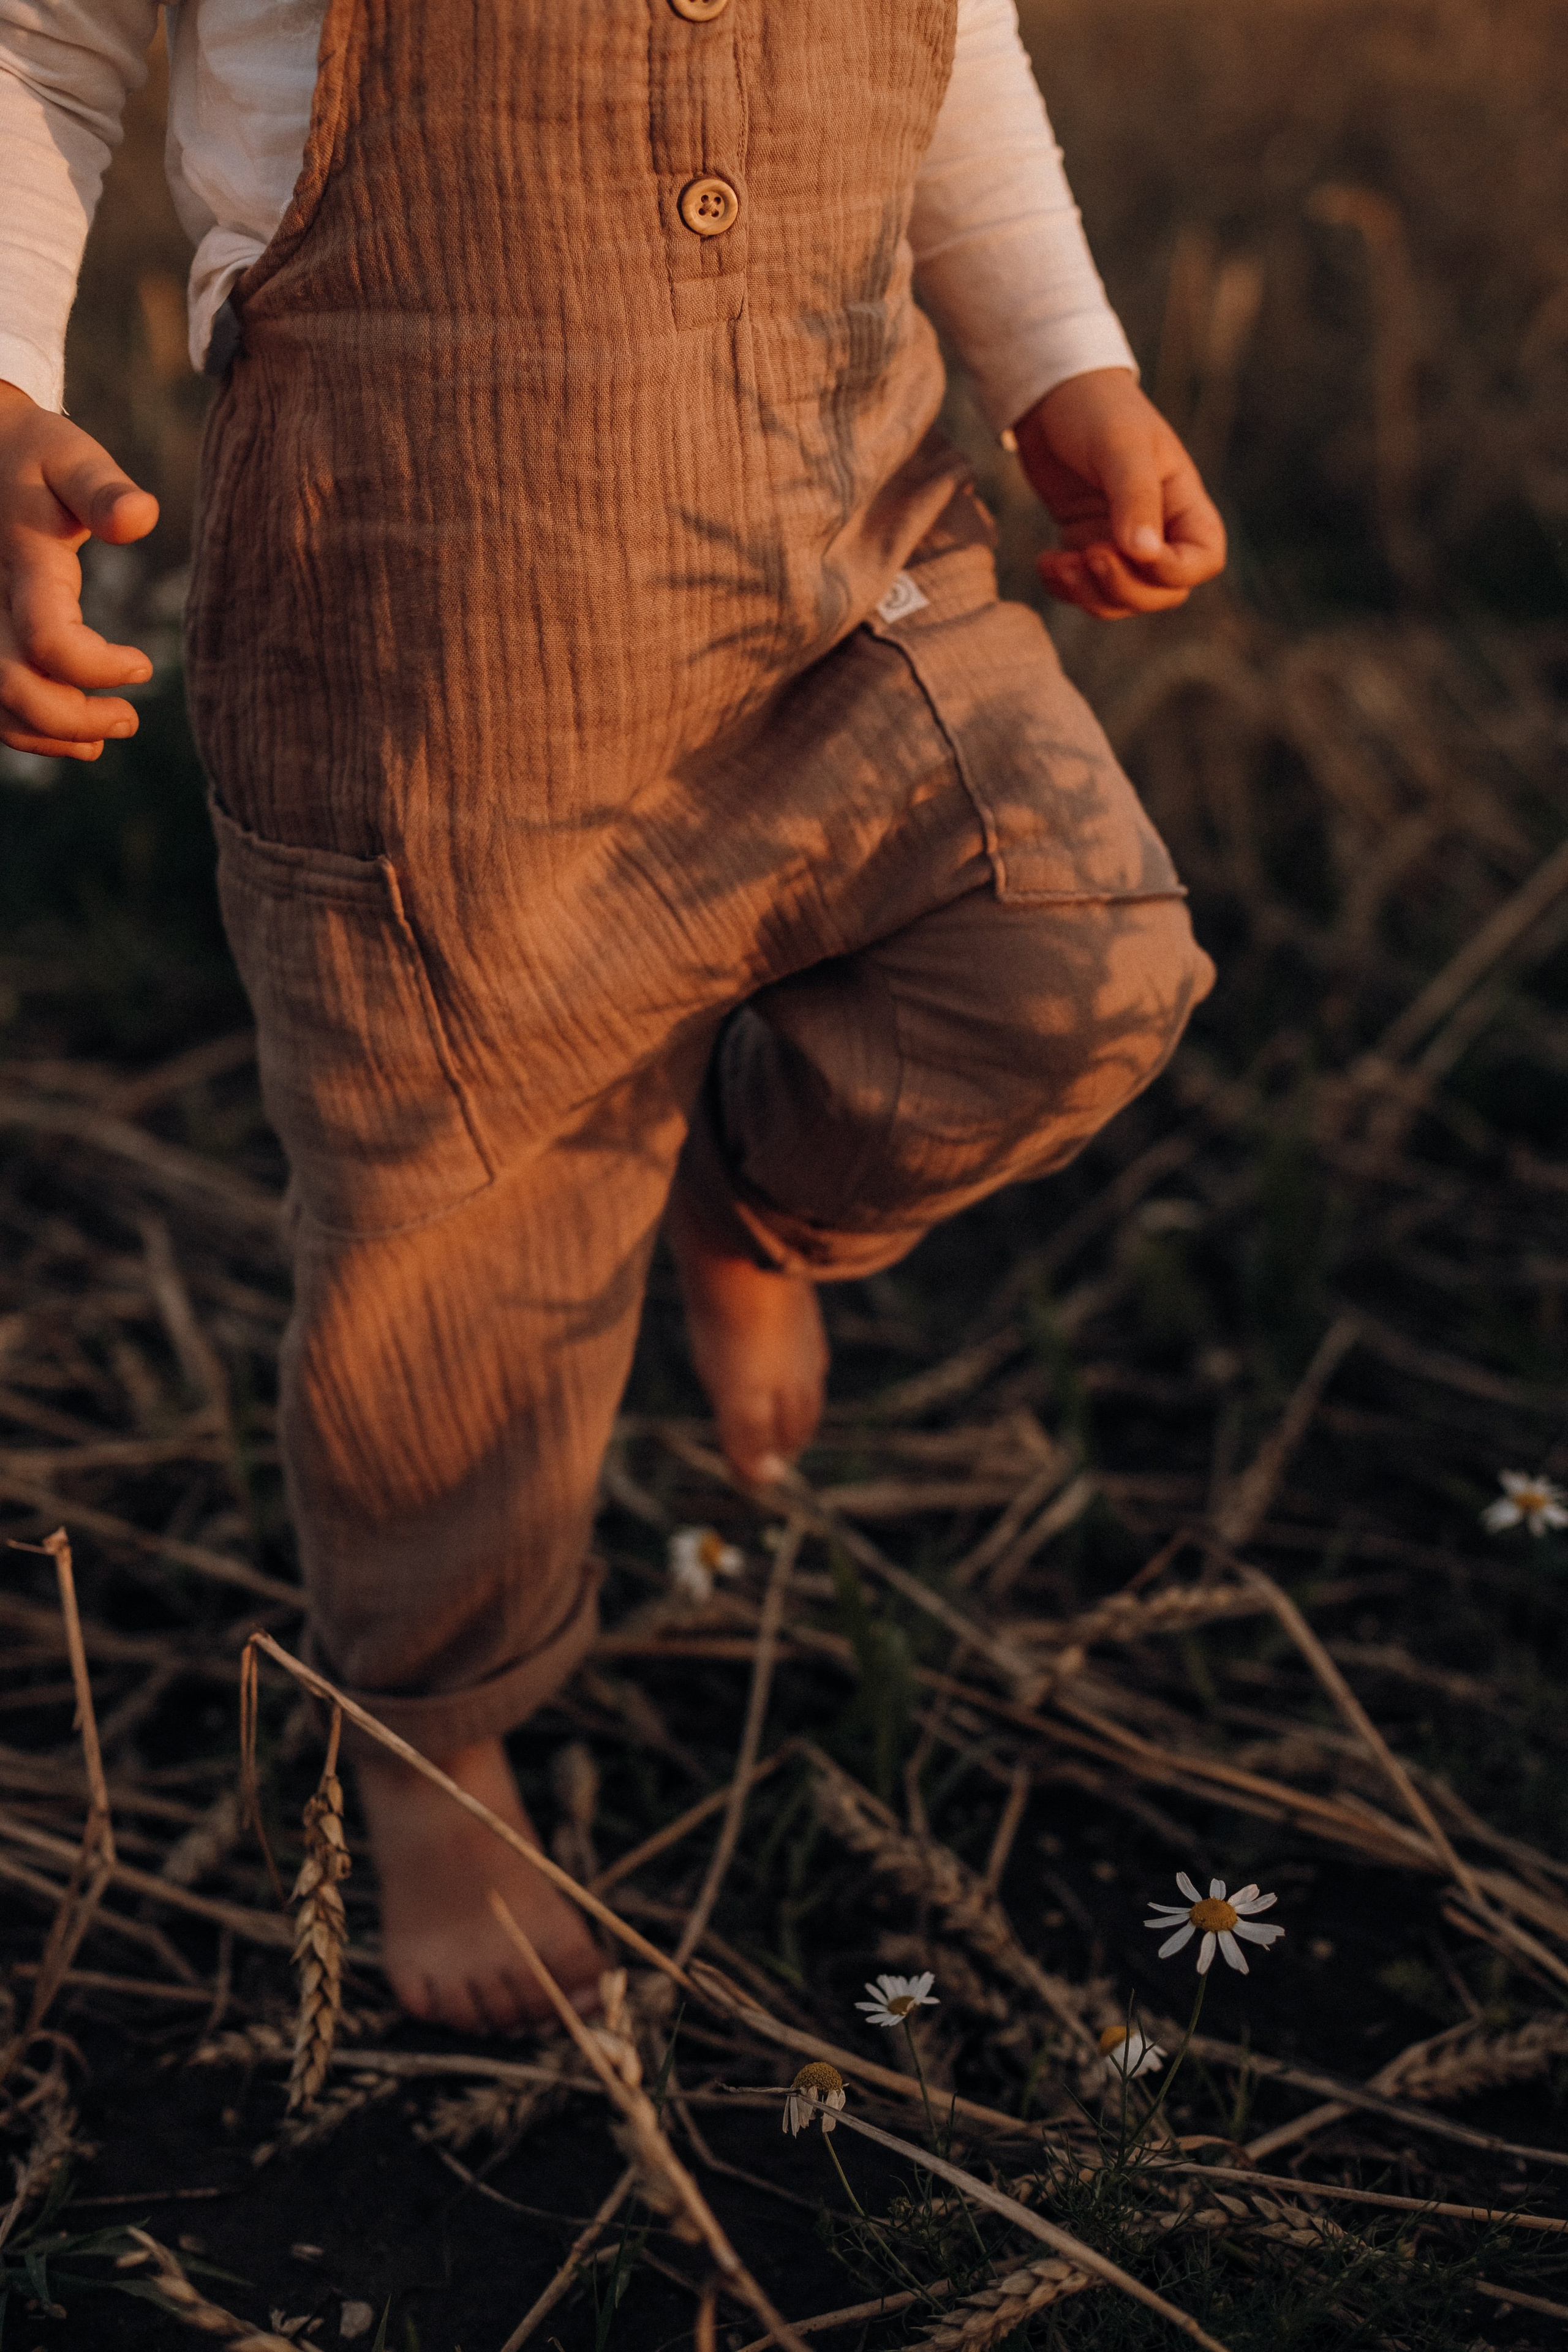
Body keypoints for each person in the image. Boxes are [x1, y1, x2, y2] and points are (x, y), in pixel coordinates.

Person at [0, 0, 1224, 2033]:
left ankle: (746, 1196)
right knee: (449, 1232)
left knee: (1066, 956)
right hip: (432, 632)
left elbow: (951, 46)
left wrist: (1062, 362)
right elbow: (40, 43)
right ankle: (432, 1739)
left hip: (851, 559)